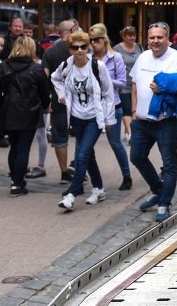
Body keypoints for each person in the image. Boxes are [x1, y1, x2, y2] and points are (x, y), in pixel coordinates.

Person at [130, 22, 177, 222]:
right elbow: (134, 85)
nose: (155, 41)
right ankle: (158, 190)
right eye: (152, 38)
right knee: (137, 156)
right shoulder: (142, 57)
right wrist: (133, 110)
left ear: (167, 39)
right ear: (147, 39)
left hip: (166, 121)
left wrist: (163, 89)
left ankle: (164, 204)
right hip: (142, 121)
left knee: (169, 164)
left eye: (160, 37)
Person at [51, 31, 116, 210]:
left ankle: (72, 193)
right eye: (75, 47)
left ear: (87, 47)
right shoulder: (66, 65)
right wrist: (62, 94)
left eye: (83, 47)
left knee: (81, 155)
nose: (79, 50)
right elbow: (54, 78)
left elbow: (109, 93)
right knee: (88, 155)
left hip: (94, 118)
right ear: (70, 49)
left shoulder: (98, 66)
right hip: (77, 118)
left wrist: (109, 119)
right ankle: (99, 189)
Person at [0, 36, 51, 196]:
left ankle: (16, 180)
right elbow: (44, 92)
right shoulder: (36, 69)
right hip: (29, 111)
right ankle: (17, 183)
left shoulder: (4, 66)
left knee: (14, 147)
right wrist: (45, 106)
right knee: (23, 148)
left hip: (8, 110)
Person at [89, 24, 132, 190]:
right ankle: (88, 180)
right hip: (91, 106)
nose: (93, 43)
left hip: (112, 105)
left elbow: (122, 82)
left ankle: (127, 176)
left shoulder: (116, 57)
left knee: (115, 143)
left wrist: (104, 78)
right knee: (84, 146)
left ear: (104, 39)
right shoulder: (88, 57)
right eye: (91, 40)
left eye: (97, 40)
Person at [41, 19, 79, 183]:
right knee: (83, 136)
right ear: (71, 30)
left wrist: (46, 100)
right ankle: (78, 168)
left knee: (60, 139)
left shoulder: (50, 52)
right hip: (80, 101)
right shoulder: (80, 48)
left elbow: (44, 77)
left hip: (59, 100)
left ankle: (64, 172)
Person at [115, 26, 144, 145]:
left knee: (136, 109)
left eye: (134, 35)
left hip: (138, 82)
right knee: (126, 109)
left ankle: (133, 132)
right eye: (129, 35)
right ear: (124, 36)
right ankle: (130, 133)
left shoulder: (139, 47)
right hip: (124, 83)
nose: (132, 37)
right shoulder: (117, 49)